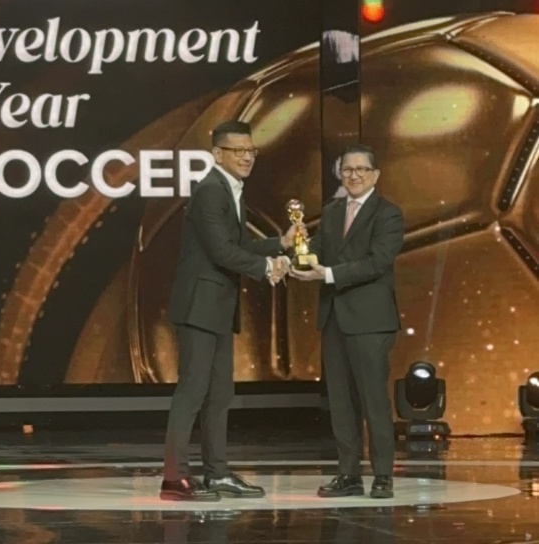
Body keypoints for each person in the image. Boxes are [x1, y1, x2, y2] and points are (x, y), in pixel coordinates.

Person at [161, 120, 295, 501]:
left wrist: (279, 245)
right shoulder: (210, 190)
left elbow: (238, 246)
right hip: (200, 306)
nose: (247, 157)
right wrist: (267, 268)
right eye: (238, 151)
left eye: (251, 150)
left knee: (219, 394)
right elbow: (221, 251)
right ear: (218, 154)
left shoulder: (231, 189)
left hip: (218, 307)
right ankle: (174, 478)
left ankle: (217, 474)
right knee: (193, 391)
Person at [289, 143, 403, 499]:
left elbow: (377, 262)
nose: (353, 176)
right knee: (341, 403)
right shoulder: (333, 211)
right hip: (334, 318)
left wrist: (327, 274)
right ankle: (349, 474)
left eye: (360, 169)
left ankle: (382, 475)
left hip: (370, 321)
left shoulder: (388, 214)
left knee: (373, 401)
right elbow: (318, 250)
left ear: (375, 175)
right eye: (347, 170)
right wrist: (297, 257)